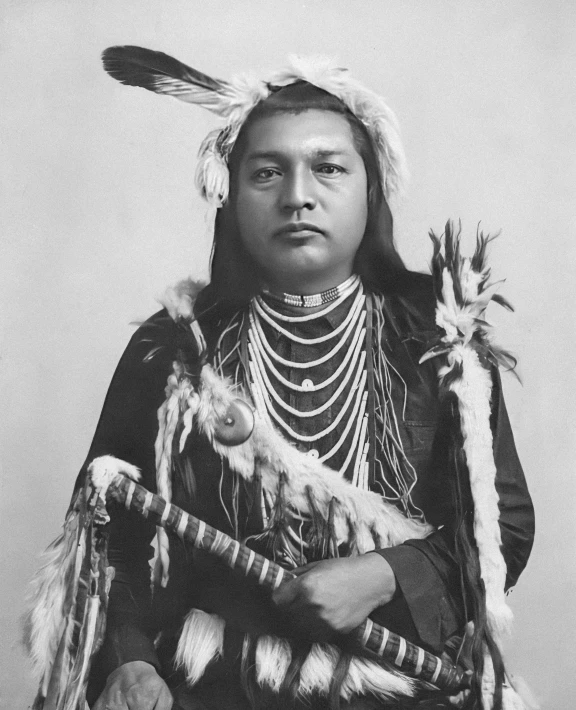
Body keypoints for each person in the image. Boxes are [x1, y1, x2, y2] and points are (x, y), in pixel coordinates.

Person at [28, 49, 534, 710]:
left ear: (371, 187)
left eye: (328, 167)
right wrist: (129, 661)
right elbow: (108, 529)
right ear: (231, 193)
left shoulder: (441, 346)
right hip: (212, 685)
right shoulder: (176, 349)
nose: (298, 196)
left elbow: (504, 530)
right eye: (267, 172)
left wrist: (384, 575)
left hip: (403, 685)